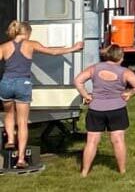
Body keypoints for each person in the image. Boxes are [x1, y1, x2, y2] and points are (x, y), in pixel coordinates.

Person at [1, 21, 83, 169]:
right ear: (27, 33)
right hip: (22, 83)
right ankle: (20, 159)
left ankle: (10, 140)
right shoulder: (31, 44)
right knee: (22, 122)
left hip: (6, 83)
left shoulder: (4, 47)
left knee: (8, 114)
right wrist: (74, 48)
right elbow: (53, 52)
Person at [74, 44, 135, 176]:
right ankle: (122, 171)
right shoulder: (124, 72)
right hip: (117, 109)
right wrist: (130, 93)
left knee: (92, 141)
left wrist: (85, 95)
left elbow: (78, 80)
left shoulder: (95, 68)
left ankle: (84, 172)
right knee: (118, 139)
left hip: (96, 108)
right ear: (120, 57)